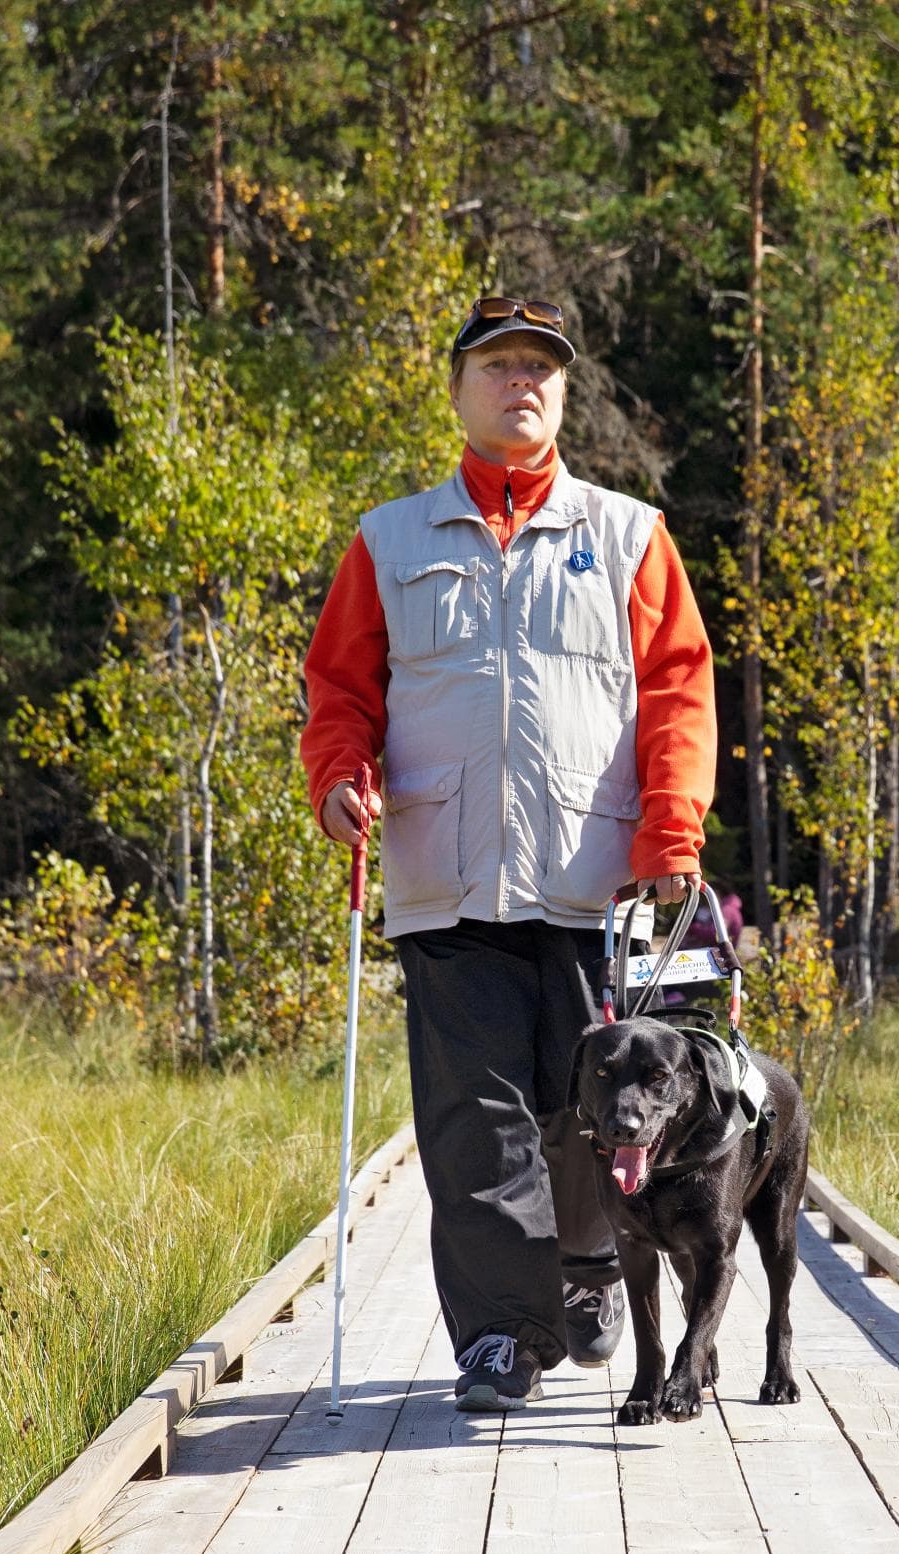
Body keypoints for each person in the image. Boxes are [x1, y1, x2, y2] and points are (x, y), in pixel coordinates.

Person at [298, 296, 717, 1413]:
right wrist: (338, 776)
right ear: (458, 389)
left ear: (564, 393)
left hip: (588, 886)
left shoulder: (627, 534)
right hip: (444, 878)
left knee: (591, 1105)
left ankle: (586, 1273)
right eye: (499, 365)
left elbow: (677, 686)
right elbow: (340, 689)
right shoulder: (389, 540)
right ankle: (500, 1336)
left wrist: (671, 824)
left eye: (542, 367)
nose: (521, 381)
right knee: (472, 1120)